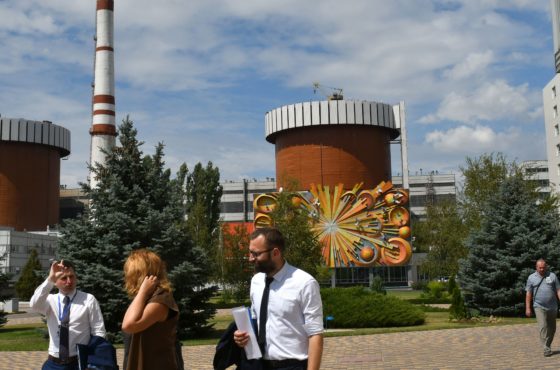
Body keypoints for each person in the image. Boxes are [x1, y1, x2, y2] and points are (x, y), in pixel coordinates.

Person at [234, 228, 324, 370]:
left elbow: (315, 334)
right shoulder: (256, 281)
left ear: (275, 253)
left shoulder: (304, 283)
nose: (250, 258)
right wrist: (242, 337)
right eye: (250, 252)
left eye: (255, 254)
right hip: (259, 365)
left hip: (292, 365)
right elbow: (256, 321)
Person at [30, 259, 106, 370]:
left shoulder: (88, 299)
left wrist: (92, 361)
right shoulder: (50, 300)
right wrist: (50, 279)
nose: (69, 281)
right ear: (55, 282)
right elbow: (34, 304)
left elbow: (98, 331)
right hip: (53, 364)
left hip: (79, 363)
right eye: (64, 278)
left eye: (72, 277)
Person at [122, 248, 180, 370]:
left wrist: (142, 291)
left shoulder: (161, 300)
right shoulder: (145, 299)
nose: (127, 276)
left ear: (140, 274)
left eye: (131, 272)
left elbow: (128, 325)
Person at [525, 258, 560, 357]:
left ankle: (547, 344)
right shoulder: (531, 277)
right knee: (543, 326)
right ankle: (546, 349)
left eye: (543, 267)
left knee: (552, 329)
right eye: (540, 267)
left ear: (546, 267)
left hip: (552, 306)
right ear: (536, 267)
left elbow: (558, 290)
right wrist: (528, 308)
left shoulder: (552, 276)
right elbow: (528, 293)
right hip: (538, 306)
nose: (541, 269)